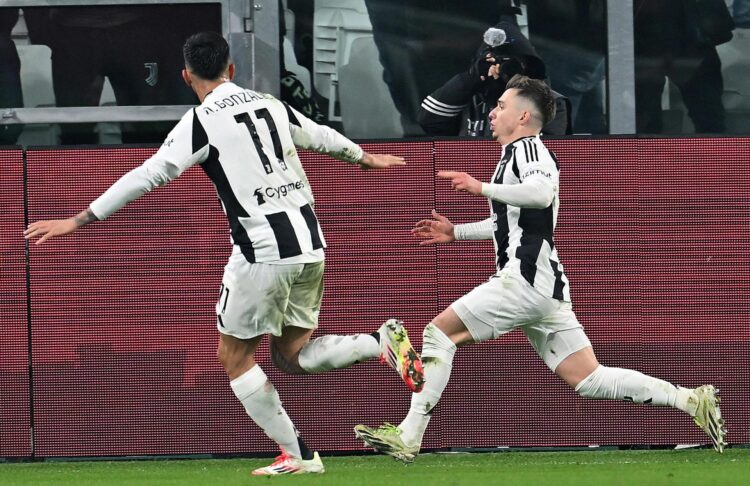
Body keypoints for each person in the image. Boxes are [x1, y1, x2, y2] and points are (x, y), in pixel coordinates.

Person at [24, 31, 425, 476]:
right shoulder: (269, 103)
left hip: (263, 252)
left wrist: (78, 220)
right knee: (291, 356)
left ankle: (300, 455)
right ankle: (378, 343)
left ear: (185, 76)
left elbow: (148, 175)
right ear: (231, 69)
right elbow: (318, 135)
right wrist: (364, 159)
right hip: (311, 246)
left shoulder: (200, 121)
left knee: (234, 357)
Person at [354, 75, 727, 462]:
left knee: (438, 334)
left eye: (501, 106)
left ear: (524, 116)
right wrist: (457, 232)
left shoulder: (529, 150)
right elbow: (512, 221)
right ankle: (690, 399)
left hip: (525, 279)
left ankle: (408, 436)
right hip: (542, 285)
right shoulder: (515, 155)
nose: (493, 112)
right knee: (588, 378)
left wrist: (481, 188)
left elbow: (540, 194)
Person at [417, 19, 570, 137]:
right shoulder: (470, 98)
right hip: (470, 174)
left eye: (509, 63)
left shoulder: (550, 103)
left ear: (527, 65)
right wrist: (472, 78)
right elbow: (429, 120)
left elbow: (545, 152)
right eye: (495, 61)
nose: (500, 70)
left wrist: (518, 89)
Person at [634, 0, 732, 133]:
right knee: (708, 117)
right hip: (691, 40)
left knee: (645, 118)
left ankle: (647, 150)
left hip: (650, 39)